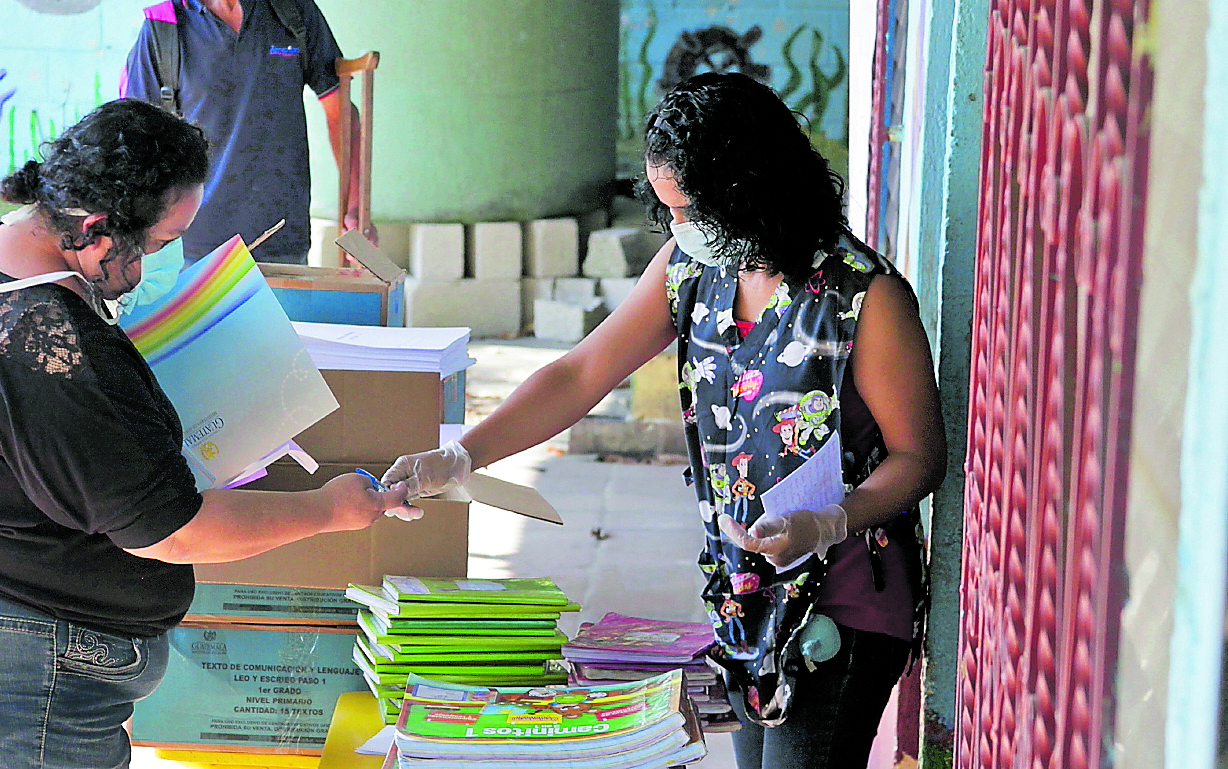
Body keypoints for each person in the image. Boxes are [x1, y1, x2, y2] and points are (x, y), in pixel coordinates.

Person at [381, 73, 947, 768]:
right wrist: (460, 456)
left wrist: (826, 522)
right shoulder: (693, 268)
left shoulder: (865, 296)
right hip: (746, 599)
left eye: (692, 210)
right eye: (670, 210)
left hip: (846, 604)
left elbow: (919, 458)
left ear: (750, 186)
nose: (680, 228)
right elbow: (580, 372)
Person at [0, 98, 407, 769]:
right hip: (5, 644)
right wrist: (330, 509)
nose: (158, 261)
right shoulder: (50, 349)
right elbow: (172, 530)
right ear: (95, 229)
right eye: (159, 243)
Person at [121, 0, 366, 266]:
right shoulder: (163, 31)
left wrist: (354, 207)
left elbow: (340, 108)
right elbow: (132, 142)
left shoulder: (294, 10)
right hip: (189, 252)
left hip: (283, 243)